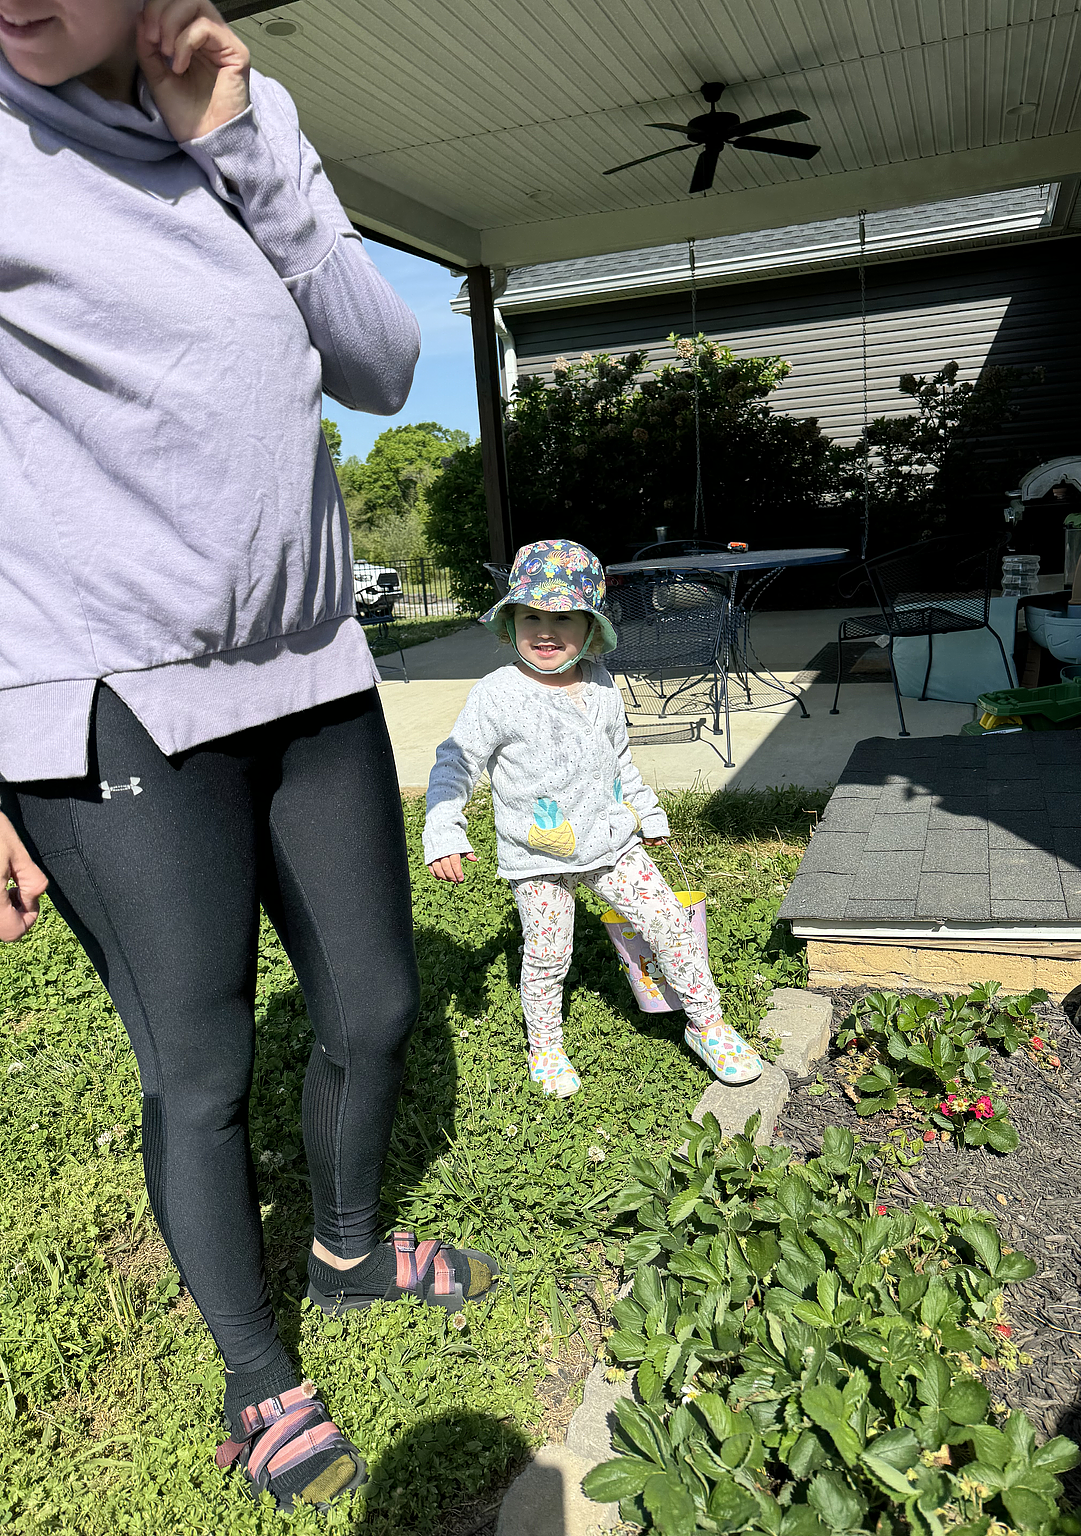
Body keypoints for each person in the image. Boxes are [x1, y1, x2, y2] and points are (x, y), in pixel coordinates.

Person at [0, 0, 496, 1513]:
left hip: (309, 663)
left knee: (378, 1002)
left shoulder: (238, 112)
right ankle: (254, 1369)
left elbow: (381, 361)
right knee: (201, 1068)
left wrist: (237, 141)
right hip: (105, 692)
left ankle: (345, 1252)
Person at [424, 539, 765, 1098]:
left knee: (670, 924)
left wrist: (646, 809)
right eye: (530, 615)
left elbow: (619, 759)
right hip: (537, 858)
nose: (545, 630)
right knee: (546, 955)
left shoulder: (602, 681)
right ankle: (546, 1045)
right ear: (510, 623)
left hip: (612, 841)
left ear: (592, 628)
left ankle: (708, 1025)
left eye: (564, 617)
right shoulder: (497, 695)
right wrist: (444, 828)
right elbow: (454, 762)